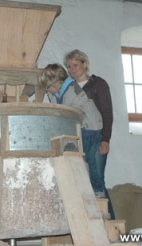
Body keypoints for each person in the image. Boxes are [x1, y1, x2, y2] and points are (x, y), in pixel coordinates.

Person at [39, 63, 104, 201]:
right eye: (46, 88)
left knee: (88, 159)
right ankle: (92, 190)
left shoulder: (70, 91)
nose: (49, 90)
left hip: (90, 127)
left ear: (58, 82)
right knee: (85, 159)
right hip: (83, 125)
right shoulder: (58, 92)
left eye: (49, 87)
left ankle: (97, 191)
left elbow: (67, 114)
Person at [64, 49, 115, 219]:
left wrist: (105, 139)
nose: (72, 69)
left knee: (98, 181)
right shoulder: (70, 89)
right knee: (86, 181)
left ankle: (111, 223)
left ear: (84, 64)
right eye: (69, 66)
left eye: (75, 64)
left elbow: (107, 113)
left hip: (97, 135)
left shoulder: (99, 85)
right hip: (80, 136)